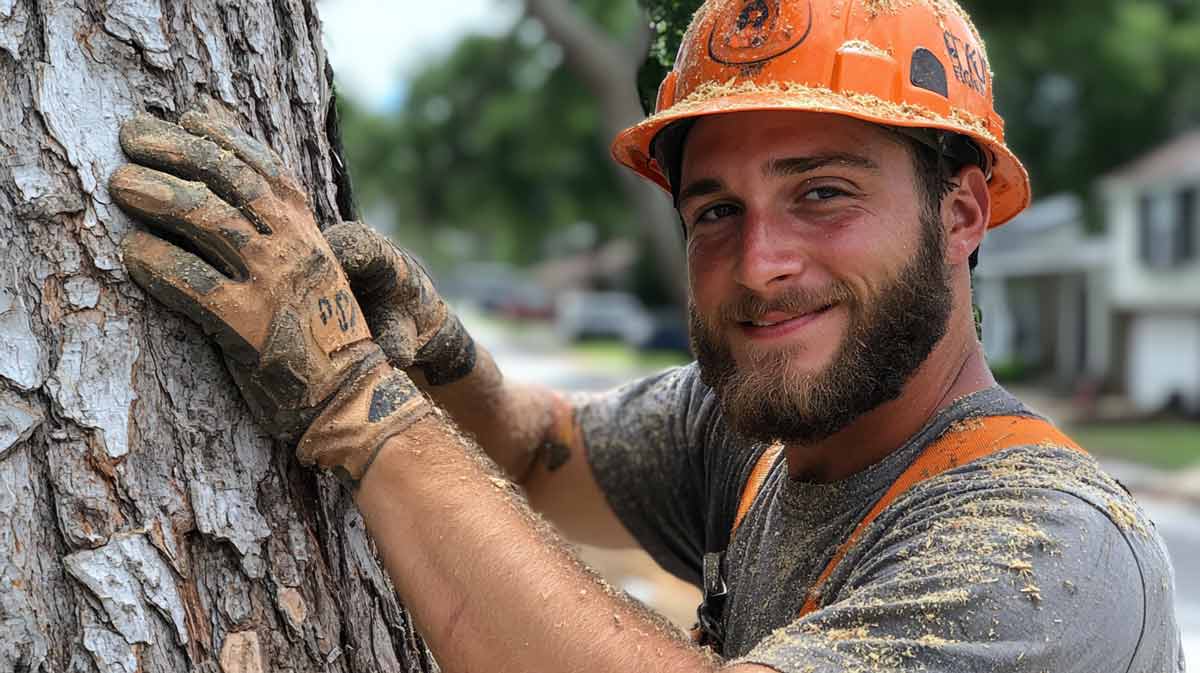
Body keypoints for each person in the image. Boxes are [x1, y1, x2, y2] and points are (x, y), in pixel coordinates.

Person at [109, 0, 1183, 671]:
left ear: (961, 216)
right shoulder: (755, 434)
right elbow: (536, 450)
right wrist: (433, 351)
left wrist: (354, 401)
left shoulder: (1050, 556)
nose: (760, 265)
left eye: (821, 194)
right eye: (716, 211)